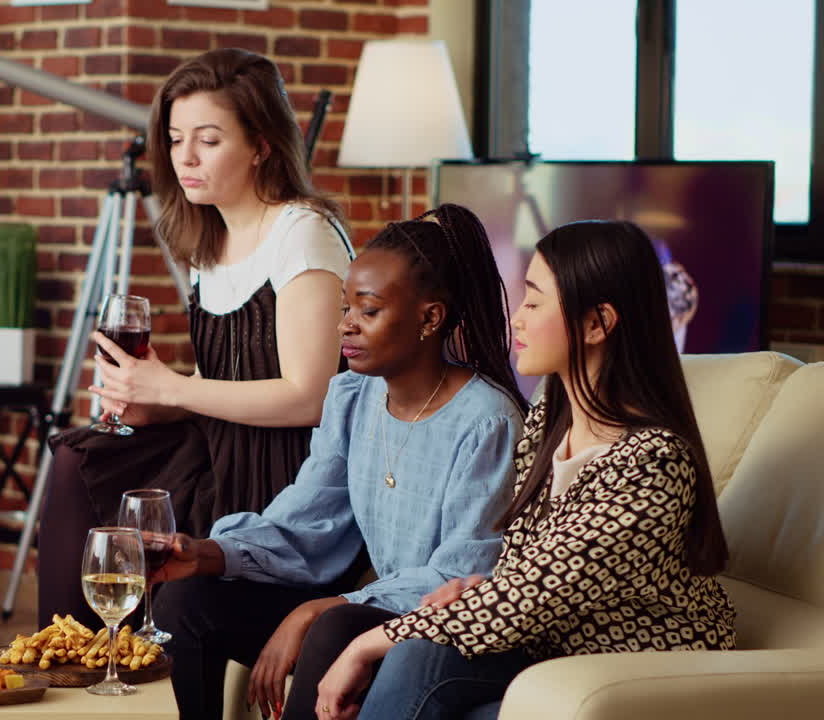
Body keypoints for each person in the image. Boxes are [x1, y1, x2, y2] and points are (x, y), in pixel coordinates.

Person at [314, 220, 737, 720]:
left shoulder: (653, 464)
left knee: (408, 651)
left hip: (625, 669)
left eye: (534, 303)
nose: (517, 319)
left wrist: (367, 645)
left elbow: (537, 592)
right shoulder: (550, 415)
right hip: (552, 643)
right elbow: (529, 567)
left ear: (597, 324)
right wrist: (474, 588)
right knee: (405, 648)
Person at [151, 205, 529, 720]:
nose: (344, 327)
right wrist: (211, 552)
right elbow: (309, 522)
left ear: (429, 318)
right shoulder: (353, 397)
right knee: (187, 599)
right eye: (345, 308)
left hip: (437, 631)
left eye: (367, 312)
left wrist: (321, 609)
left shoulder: (488, 420)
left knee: (329, 623)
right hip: (370, 612)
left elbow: (459, 575)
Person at [38, 47, 353, 630]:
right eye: (177, 138)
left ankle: (90, 651)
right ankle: (62, 651)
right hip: (219, 450)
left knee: (105, 483)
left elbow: (312, 396)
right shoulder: (210, 243)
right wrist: (153, 401)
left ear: (261, 145)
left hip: (285, 476)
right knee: (76, 455)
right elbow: (222, 384)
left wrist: (174, 388)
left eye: (208, 140)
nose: (186, 157)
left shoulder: (303, 235)